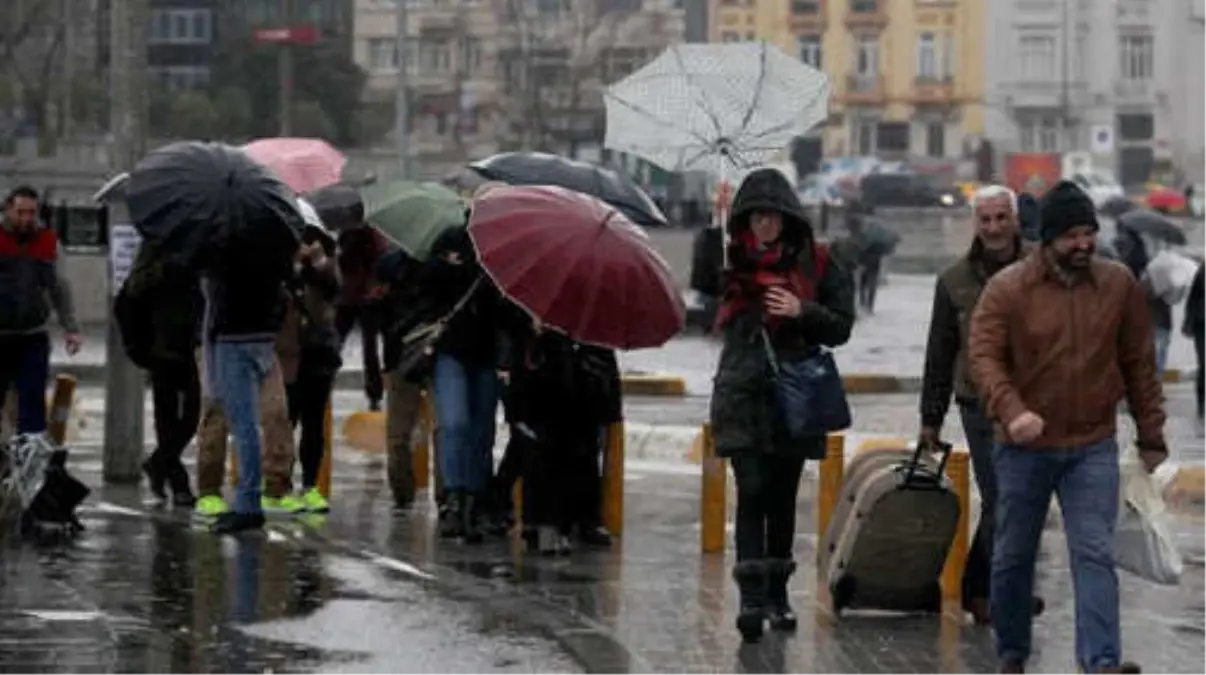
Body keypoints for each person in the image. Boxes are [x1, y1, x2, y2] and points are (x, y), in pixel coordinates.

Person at [968, 180, 1165, 675]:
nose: (1083, 244)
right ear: (1049, 238)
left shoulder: (1118, 284)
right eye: (1072, 235)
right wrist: (1012, 411)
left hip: (1091, 445)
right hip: (1023, 449)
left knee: (1094, 552)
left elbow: (1139, 361)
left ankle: (1100, 661)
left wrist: (1151, 433)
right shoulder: (1008, 289)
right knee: (1013, 556)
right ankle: (1012, 652)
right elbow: (985, 359)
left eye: (1089, 233)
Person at [708, 167, 854, 643]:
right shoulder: (730, 259)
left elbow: (841, 326)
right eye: (753, 218)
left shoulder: (818, 263)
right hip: (741, 392)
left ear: (788, 218)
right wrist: (715, 228)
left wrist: (801, 311)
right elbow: (699, 298)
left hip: (794, 395)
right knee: (750, 490)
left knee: (783, 495)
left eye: (771, 217)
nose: (763, 226)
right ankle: (751, 597)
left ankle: (777, 594)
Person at [918, 184, 1042, 624]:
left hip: (1035, 401)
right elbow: (939, 351)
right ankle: (986, 590)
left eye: (1000, 218)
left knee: (1026, 497)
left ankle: (997, 588)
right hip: (979, 403)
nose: (993, 228)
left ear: (1015, 220)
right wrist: (930, 418)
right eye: (985, 219)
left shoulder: (1041, 267)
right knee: (1002, 496)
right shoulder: (954, 281)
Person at [202, 224, 301, 534]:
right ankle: (253, 496)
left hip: (234, 340)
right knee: (259, 422)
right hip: (261, 339)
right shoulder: (275, 247)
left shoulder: (220, 249)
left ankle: (248, 503)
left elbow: (215, 307)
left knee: (243, 425)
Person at [426, 227, 502, 543]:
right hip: (451, 350)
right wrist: (450, 267)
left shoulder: (507, 254)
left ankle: (474, 499)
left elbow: (509, 311)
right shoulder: (451, 239)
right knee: (455, 423)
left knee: (481, 431)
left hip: (489, 354)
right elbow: (426, 288)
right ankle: (454, 498)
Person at [115, 246, 202, 506]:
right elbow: (127, 301)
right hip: (162, 351)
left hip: (189, 349)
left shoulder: (196, 258)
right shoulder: (152, 262)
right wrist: (138, 347)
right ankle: (179, 484)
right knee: (167, 420)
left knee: (190, 417)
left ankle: (158, 462)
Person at [0, 185, 82, 434]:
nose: (26, 218)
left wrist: (71, 328)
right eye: (20, 212)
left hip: (32, 335)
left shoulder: (46, 241)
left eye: (31, 213)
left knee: (32, 404)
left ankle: (30, 464)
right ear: (7, 210)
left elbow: (59, 287)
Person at [279, 229, 342, 513]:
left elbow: (334, 287)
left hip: (319, 353)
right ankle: (281, 484)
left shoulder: (323, 261)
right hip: (288, 354)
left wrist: (317, 261)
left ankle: (310, 484)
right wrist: (292, 265)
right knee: (284, 421)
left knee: (314, 423)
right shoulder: (279, 261)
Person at [335, 222, 389, 411]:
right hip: (364, 295)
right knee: (369, 347)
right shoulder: (374, 234)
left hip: (352, 295)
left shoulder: (352, 233)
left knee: (343, 343)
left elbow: (342, 262)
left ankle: (374, 391)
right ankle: (374, 392)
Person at [1183, 260, 1206, 434]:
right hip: (1202, 325)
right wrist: (1189, 323)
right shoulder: (1203, 269)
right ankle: (1201, 405)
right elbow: (1193, 296)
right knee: (1204, 366)